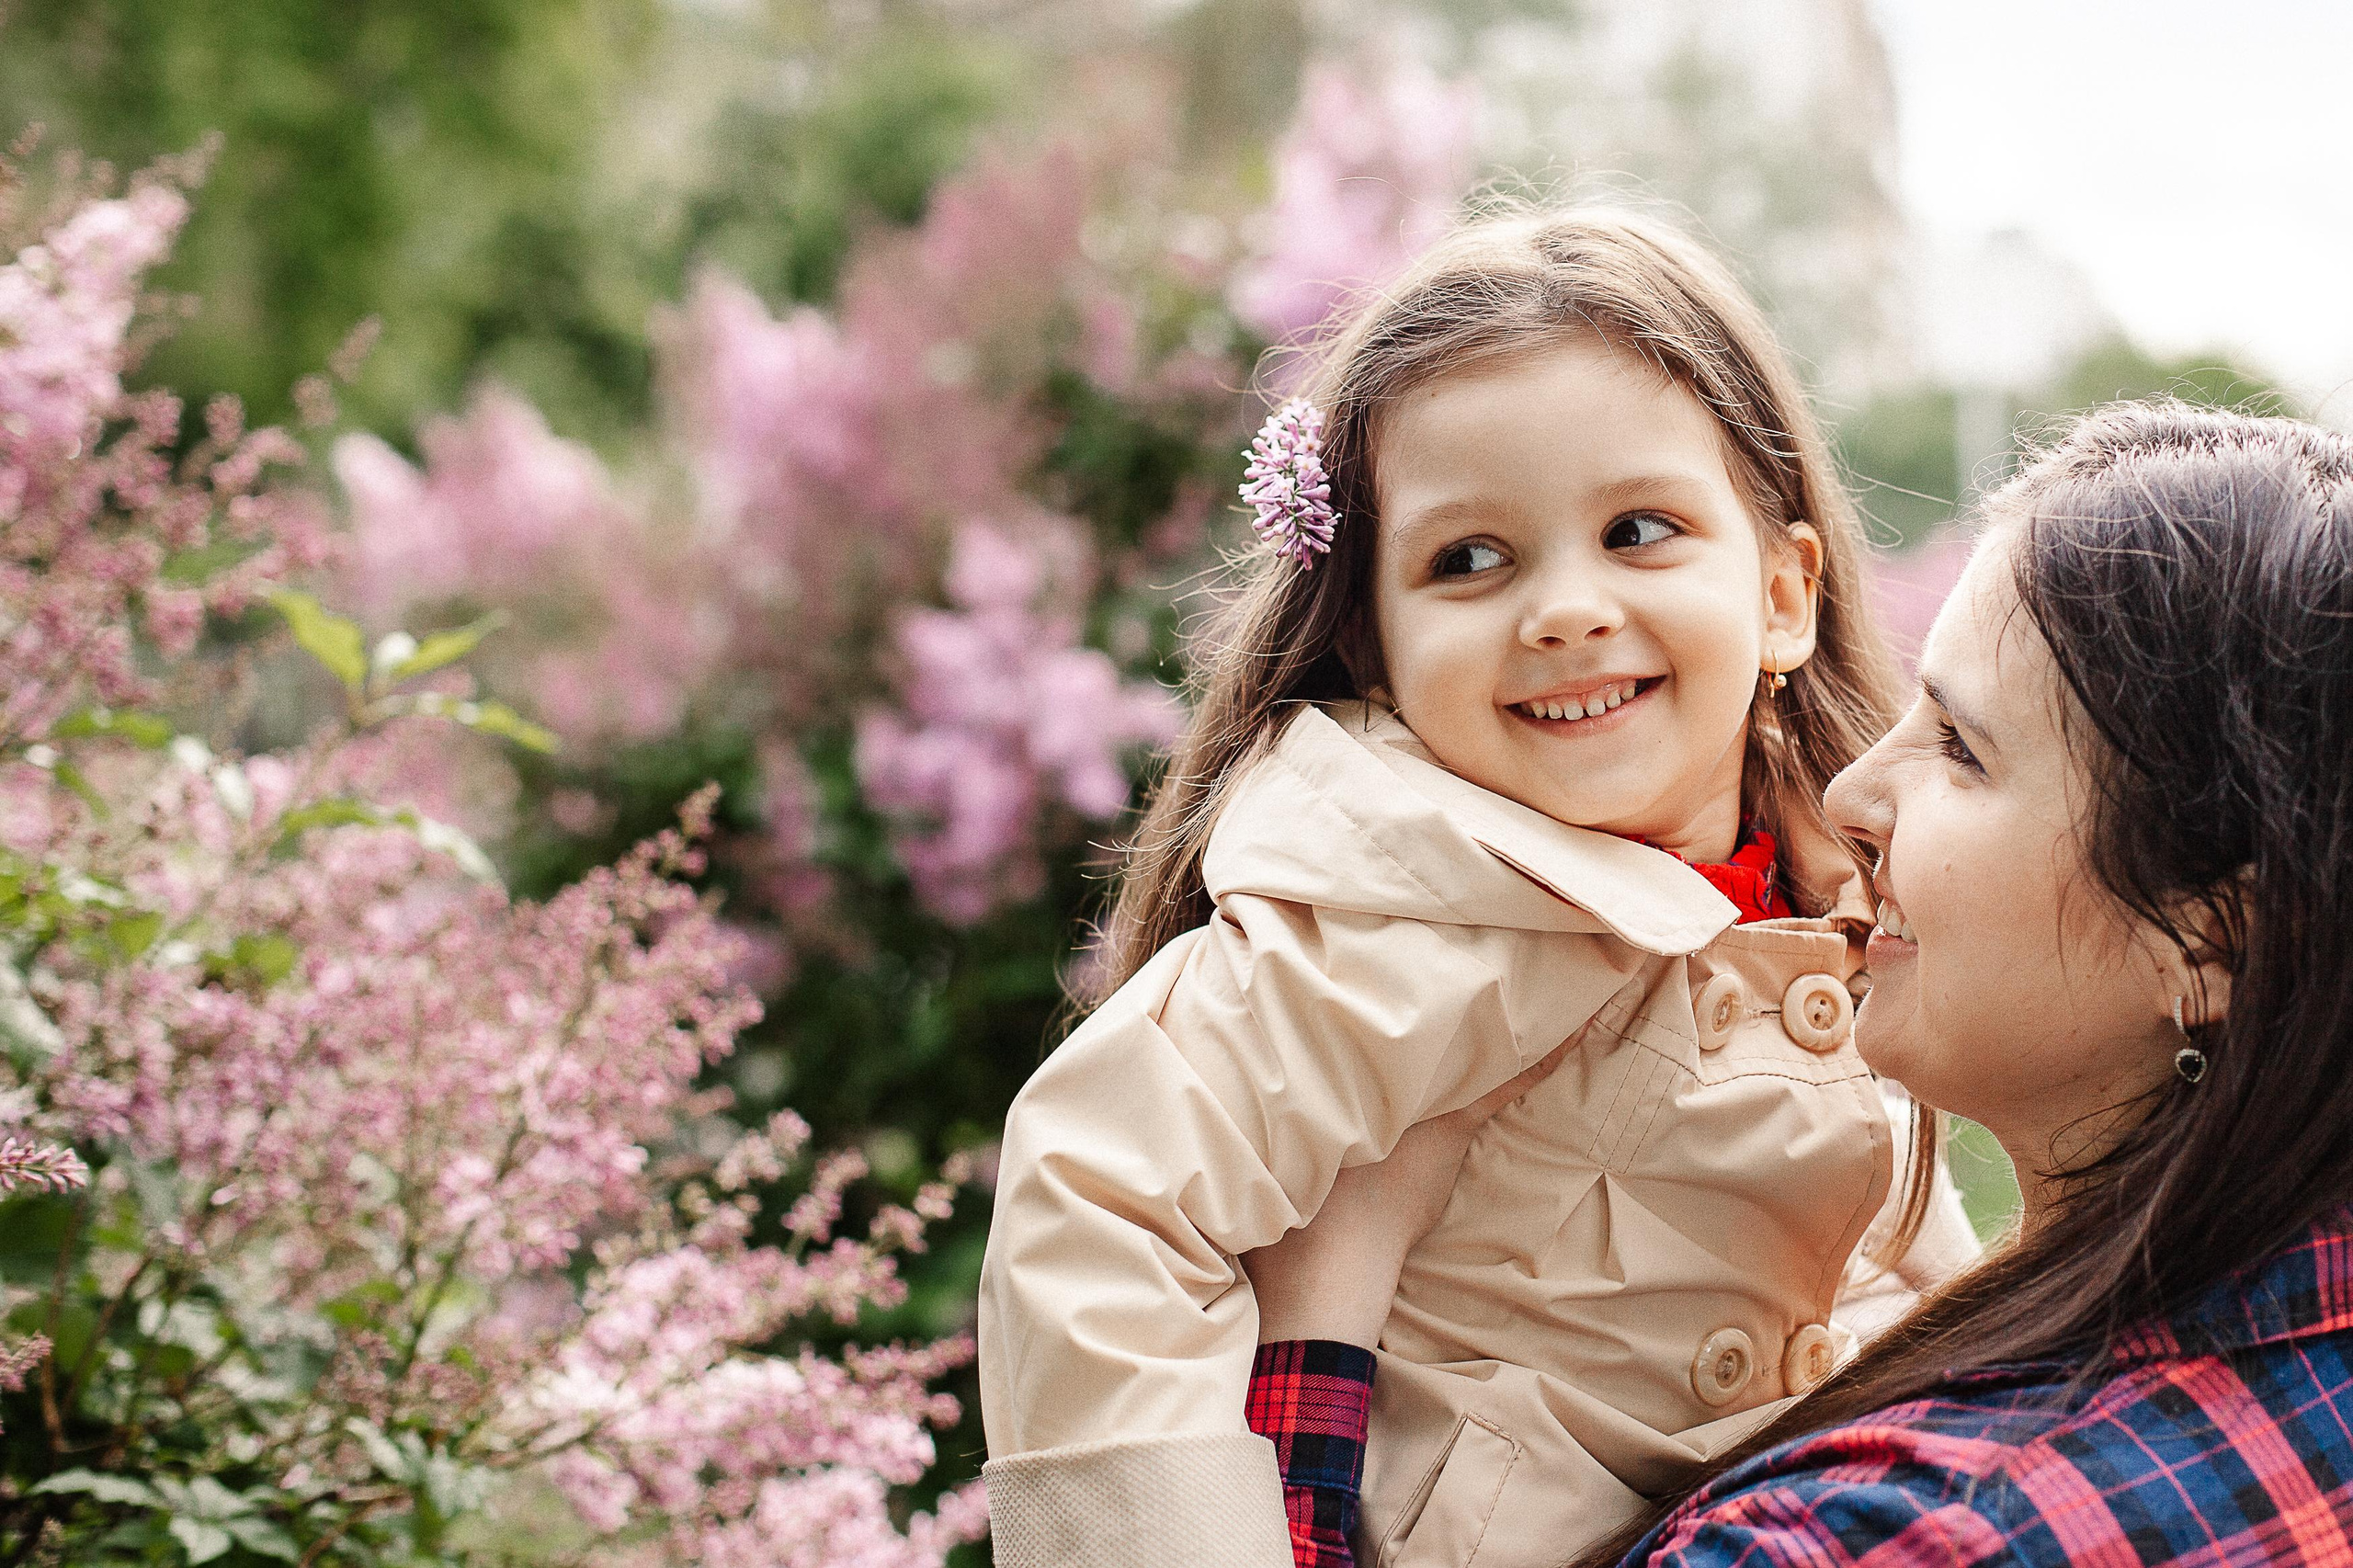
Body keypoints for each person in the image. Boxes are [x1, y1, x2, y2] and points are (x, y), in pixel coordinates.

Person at [974, 208, 1977, 1568]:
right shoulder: (1396, 896)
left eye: (1637, 529)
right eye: (1468, 560)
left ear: (1784, 595)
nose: (1563, 608)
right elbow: (1101, 1183)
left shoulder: (1848, 874)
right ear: (1376, 647)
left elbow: (1911, 1235)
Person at [1242, 402, 2353, 1568]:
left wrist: (1323, 1298)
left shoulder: (1875, 1537)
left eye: (1963, 751)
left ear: (2212, 938)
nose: (1850, 795)